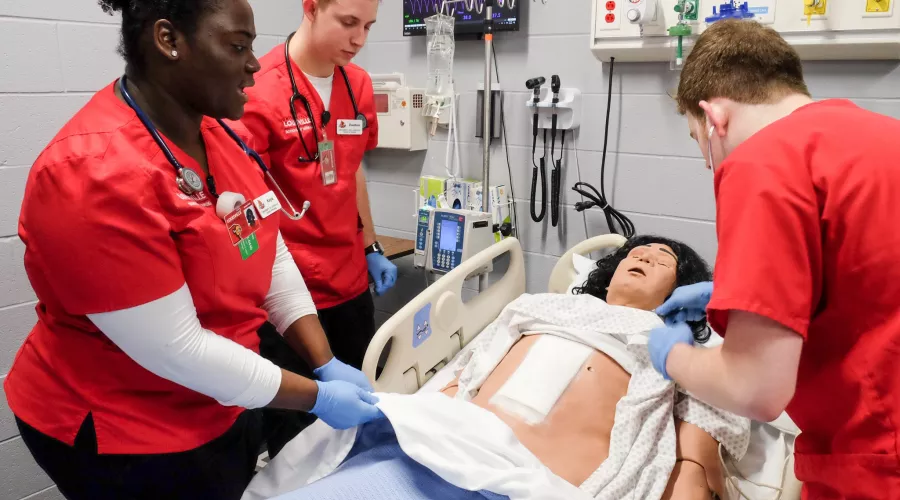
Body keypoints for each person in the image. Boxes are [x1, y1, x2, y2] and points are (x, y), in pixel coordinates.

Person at [2, 1, 384, 499]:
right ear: (168, 40)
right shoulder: (90, 175)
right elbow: (179, 350)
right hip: (124, 428)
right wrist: (316, 396)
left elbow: (270, 252)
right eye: (237, 46)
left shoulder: (219, 132)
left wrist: (324, 359)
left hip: (218, 400)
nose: (253, 62)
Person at [248, 236, 750, 500]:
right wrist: (408, 418)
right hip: (445, 449)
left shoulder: (680, 347)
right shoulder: (539, 306)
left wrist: (692, 480)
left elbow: (699, 444)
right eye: (635, 251)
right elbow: (464, 370)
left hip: (535, 482)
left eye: (662, 259)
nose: (643, 255)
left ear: (682, 289)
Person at [646, 19, 900, 498]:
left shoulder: (762, 162)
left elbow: (754, 391)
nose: (708, 162)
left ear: (714, 116)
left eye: (698, 139)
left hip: (877, 463)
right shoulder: (883, 136)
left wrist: (670, 357)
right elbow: (868, 281)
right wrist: (738, 299)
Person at [236, 0, 396, 455]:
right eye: (348, 23)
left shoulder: (358, 84)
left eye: (368, 26)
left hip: (348, 281)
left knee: (358, 424)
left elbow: (352, 169)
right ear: (310, 7)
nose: (359, 39)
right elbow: (248, 204)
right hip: (289, 298)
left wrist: (370, 245)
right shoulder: (257, 89)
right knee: (295, 442)